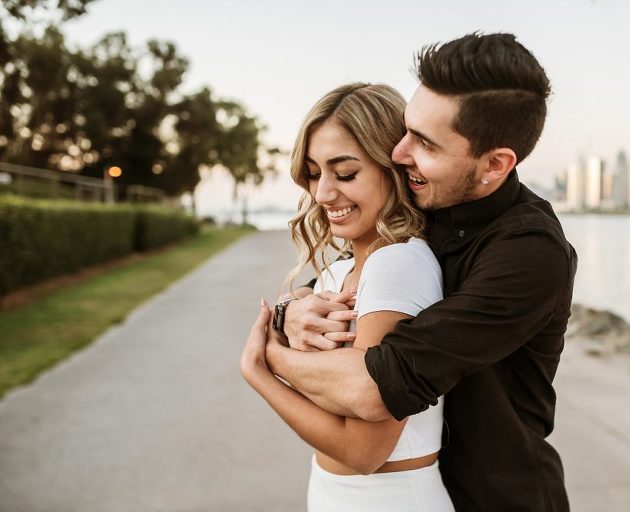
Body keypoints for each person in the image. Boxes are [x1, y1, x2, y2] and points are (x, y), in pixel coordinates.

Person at [265, 33, 577, 511]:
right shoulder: (422, 202)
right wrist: (290, 310)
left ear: (495, 164)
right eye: (407, 130)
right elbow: (344, 280)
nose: (398, 152)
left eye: (425, 143)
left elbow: (377, 387)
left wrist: (266, 359)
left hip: (494, 499)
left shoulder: (528, 253)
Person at [240, 83, 455, 511]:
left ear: (391, 168)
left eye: (345, 173)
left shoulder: (399, 264)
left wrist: (262, 371)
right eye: (315, 173)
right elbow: (335, 397)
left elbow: (364, 451)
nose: (322, 194)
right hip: (333, 492)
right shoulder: (338, 272)